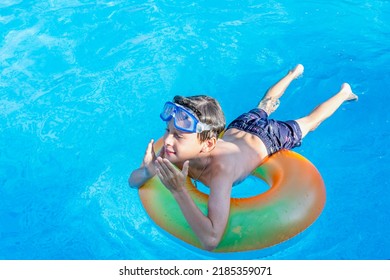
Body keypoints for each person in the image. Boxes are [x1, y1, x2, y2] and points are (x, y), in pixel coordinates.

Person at [128, 64, 358, 251]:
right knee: (265, 105)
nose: (167, 140)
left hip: (267, 138)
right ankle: (292, 74)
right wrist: (148, 170)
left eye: (178, 135)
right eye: (167, 131)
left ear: (207, 144)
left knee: (310, 122)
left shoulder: (221, 172)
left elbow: (211, 239)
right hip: (240, 127)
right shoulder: (173, 151)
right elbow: (133, 181)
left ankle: (342, 93)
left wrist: (179, 191)